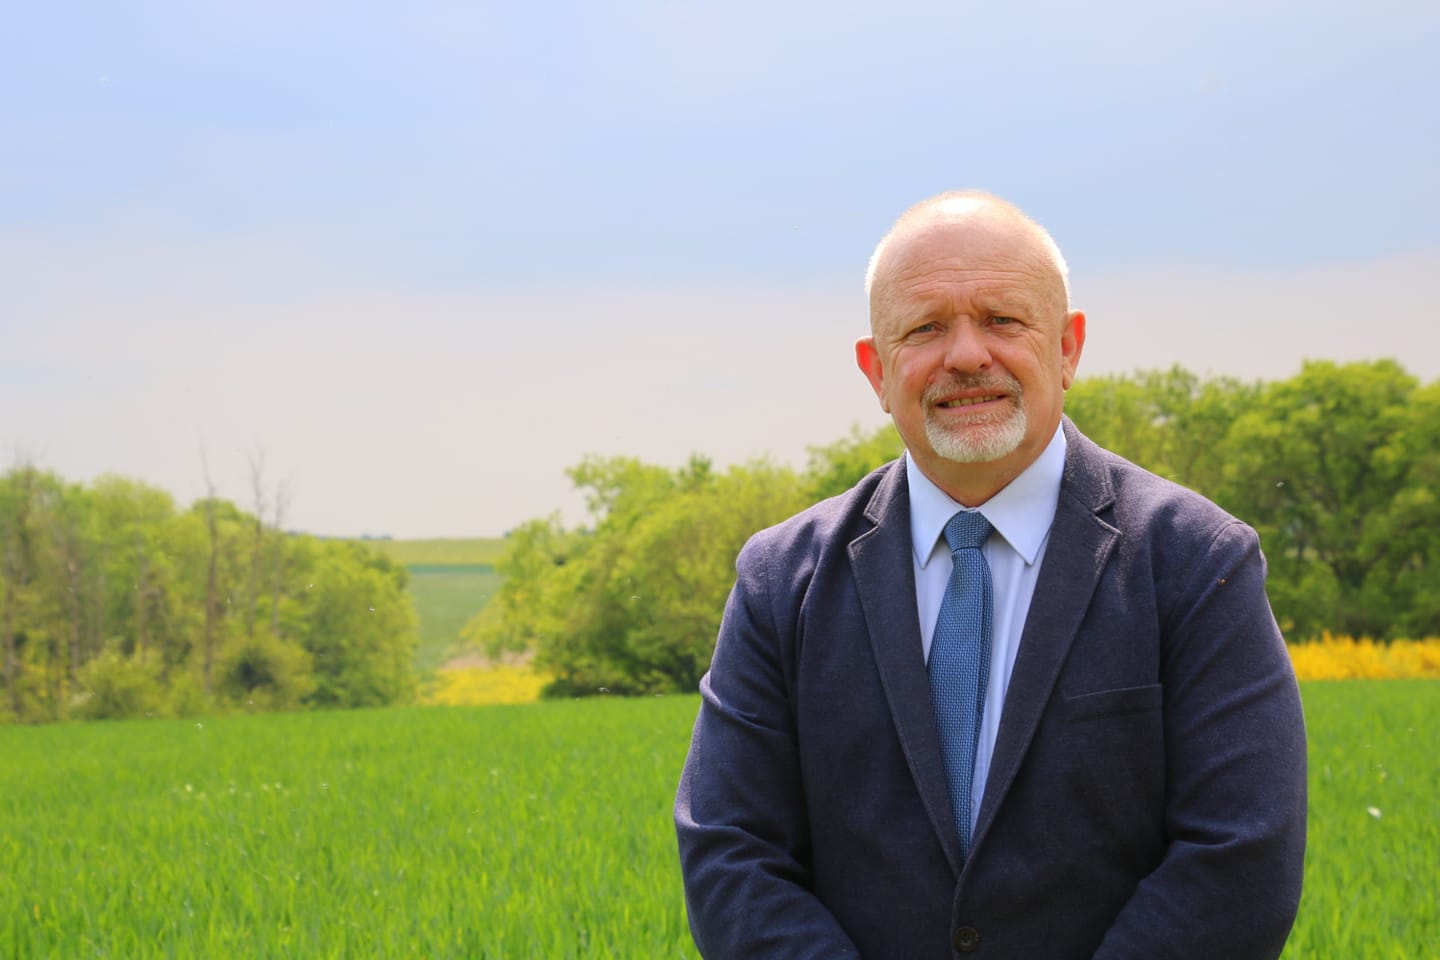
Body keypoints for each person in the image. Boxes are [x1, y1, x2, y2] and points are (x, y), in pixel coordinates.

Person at [674, 191, 1307, 959]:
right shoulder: (781, 582)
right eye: (925, 328)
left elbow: (1240, 856)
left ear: (1067, 348)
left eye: (1003, 320)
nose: (967, 355)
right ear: (876, 371)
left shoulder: (1197, 562)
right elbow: (731, 852)